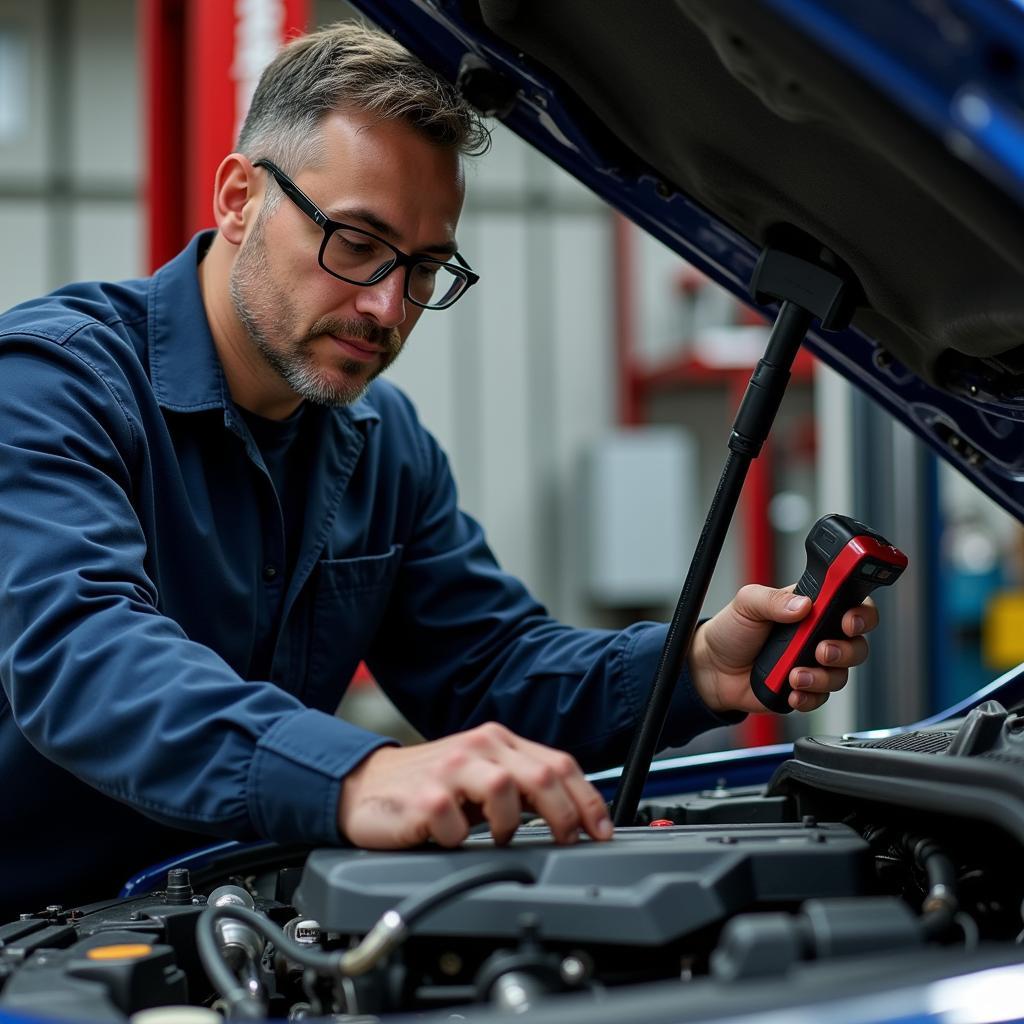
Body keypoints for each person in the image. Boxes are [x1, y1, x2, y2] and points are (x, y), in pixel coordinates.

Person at [0, 22, 876, 917]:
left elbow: (491, 667)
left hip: (214, 927)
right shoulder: (50, 386)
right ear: (236, 198)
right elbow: (84, 655)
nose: (386, 304)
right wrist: (357, 776)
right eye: (355, 241)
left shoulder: (379, 442)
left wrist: (692, 667)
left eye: (423, 267)